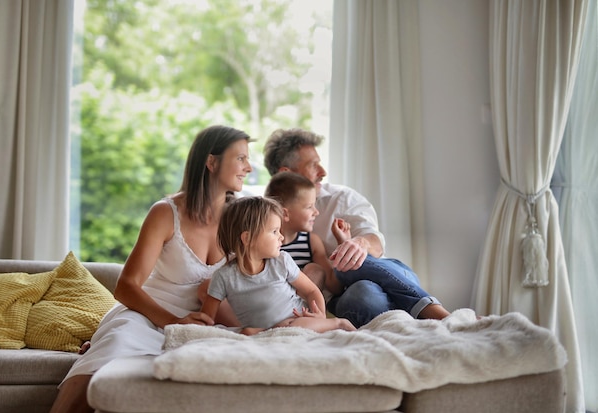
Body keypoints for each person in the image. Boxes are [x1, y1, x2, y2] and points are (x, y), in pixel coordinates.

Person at [50, 125, 252, 413]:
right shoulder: (166, 212)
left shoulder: (242, 218)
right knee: (116, 344)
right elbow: (126, 286)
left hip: (204, 322)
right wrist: (174, 323)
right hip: (147, 315)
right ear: (211, 162)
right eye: (241, 158)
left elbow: (258, 277)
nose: (249, 167)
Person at [263, 128, 450, 327]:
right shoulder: (262, 221)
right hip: (346, 296)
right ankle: (412, 320)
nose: (323, 172)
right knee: (364, 296)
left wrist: (356, 244)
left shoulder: (342, 199)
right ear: (287, 173)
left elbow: (375, 245)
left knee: (348, 265)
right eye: (313, 165)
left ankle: (434, 311)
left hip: (388, 275)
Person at [200, 196, 356, 335]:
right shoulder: (223, 277)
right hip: (266, 332)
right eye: (274, 231)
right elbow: (206, 319)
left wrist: (320, 315)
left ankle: (339, 323)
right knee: (247, 332)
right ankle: (268, 332)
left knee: (291, 326)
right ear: (247, 238)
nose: (281, 237)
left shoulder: (282, 261)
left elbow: (311, 291)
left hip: (296, 320)